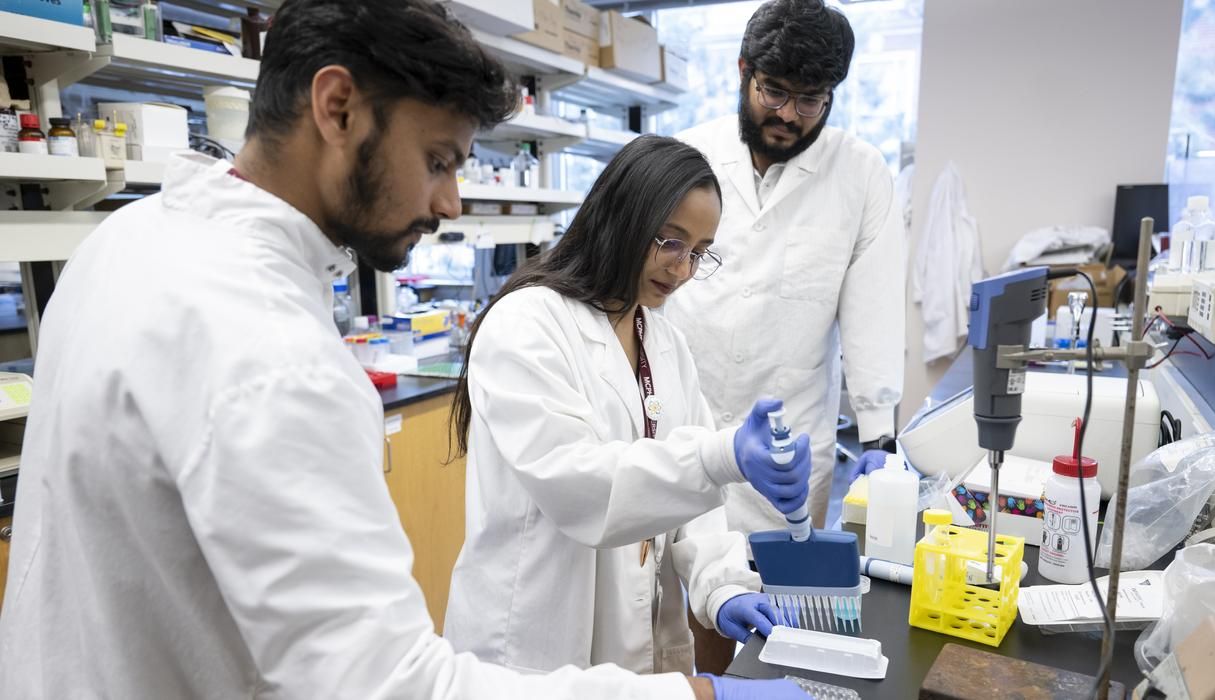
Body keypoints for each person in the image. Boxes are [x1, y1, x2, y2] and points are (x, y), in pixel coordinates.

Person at [0, 2, 806, 699]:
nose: (451, 200)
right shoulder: (272, 353)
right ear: (337, 106)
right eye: (437, 161)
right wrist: (696, 693)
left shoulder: (127, 239)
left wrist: (716, 578)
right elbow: (386, 684)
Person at [442, 135, 812, 693]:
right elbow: (581, 485)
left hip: (633, 645)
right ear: (621, 217)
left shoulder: (662, 340)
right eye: (671, 242)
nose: (683, 268)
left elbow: (693, 509)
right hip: (531, 649)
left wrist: (723, 584)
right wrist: (723, 455)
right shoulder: (527, 323)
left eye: (699, 251)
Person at [666, 0, 906, 537]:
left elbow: (874, 311)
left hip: (785, 446)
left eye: (811, 100)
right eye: (774, 91)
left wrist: (878, 436)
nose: (789, 114)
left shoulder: (861, 173)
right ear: (743, 71)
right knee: (665, 603)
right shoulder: (688, 154)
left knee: (772, 606)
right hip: (681, 430)